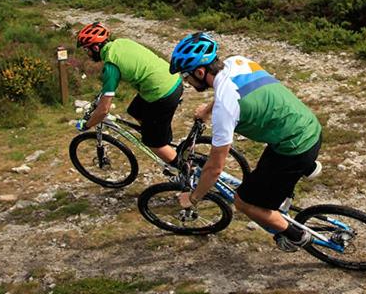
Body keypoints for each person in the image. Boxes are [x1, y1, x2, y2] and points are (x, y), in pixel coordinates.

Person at [169, 32, 323, 252]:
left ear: (200, 72)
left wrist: (193, 198)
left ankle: (296, 236)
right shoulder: (237, 62)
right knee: (266, 176)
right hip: (309, 126)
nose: (187, 82)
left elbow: (214, 169)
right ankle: (287, 188)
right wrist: (207, 110)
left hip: (293, 148)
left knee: (243, 202)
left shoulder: (225, 107)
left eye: (187, 76)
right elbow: (231, 90)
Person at [76, 22, 183, 166]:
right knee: (135, 110)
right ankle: (161, 137)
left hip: (163, 92)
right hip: (171, 79)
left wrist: (87, 125)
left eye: (86, 49)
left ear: (95, 48)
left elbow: (103, 111)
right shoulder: (121, 42)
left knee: (153, 143)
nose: (87, 54)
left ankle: (184, 170)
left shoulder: (111, 66)